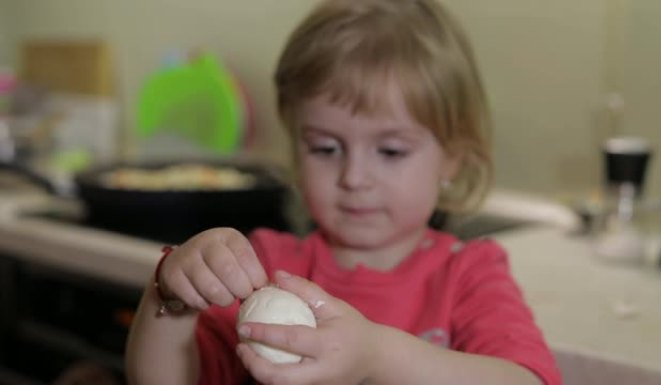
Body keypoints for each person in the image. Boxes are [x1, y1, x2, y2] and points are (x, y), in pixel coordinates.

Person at [125, 0, 562, 384]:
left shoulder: (467, 275)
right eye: (326, 147)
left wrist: (377, 357)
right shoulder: (267, 269)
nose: (354, 177)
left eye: (390, 151)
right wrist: (170, 294)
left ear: (453, 156)